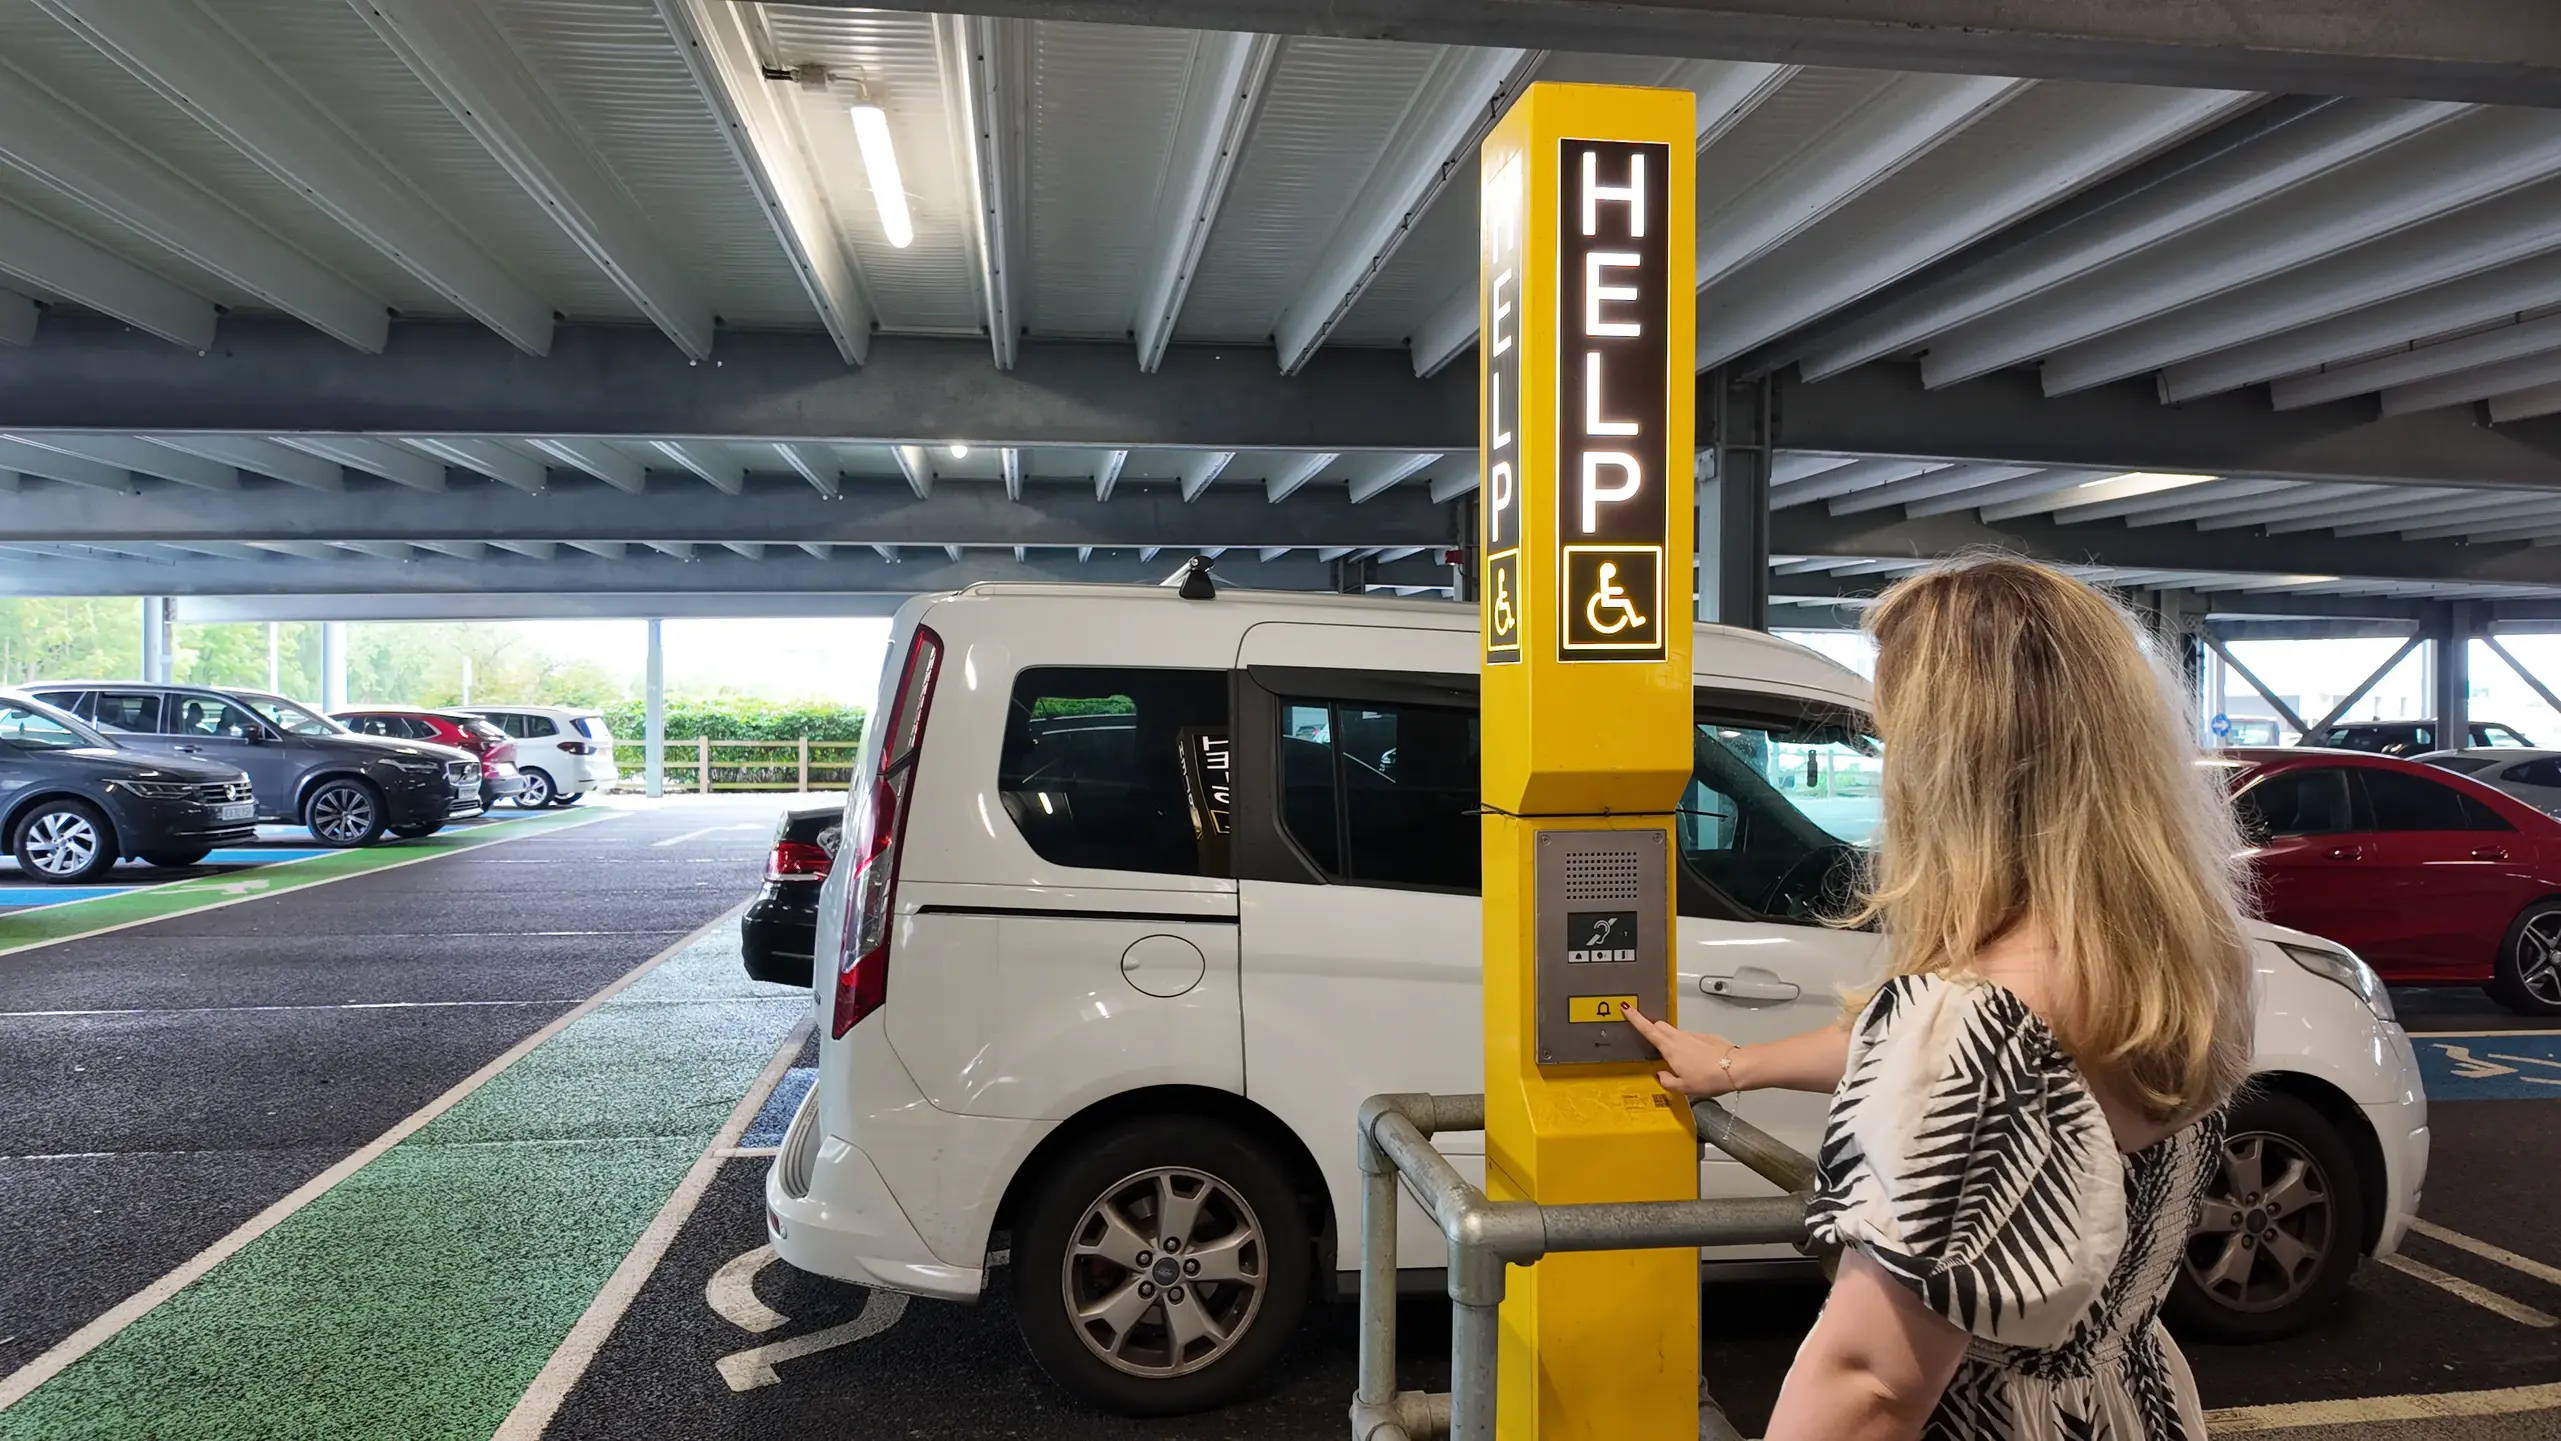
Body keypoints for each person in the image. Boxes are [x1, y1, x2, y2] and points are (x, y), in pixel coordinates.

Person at [1624, 556, 2255, 1441]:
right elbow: (2007, 1090)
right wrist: (1735, 1064)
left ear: (1952, 765)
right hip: (2121, 1403)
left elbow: (1869, 1385)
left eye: (1896, 739)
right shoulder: (2177, 967)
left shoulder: (1965, 1026)